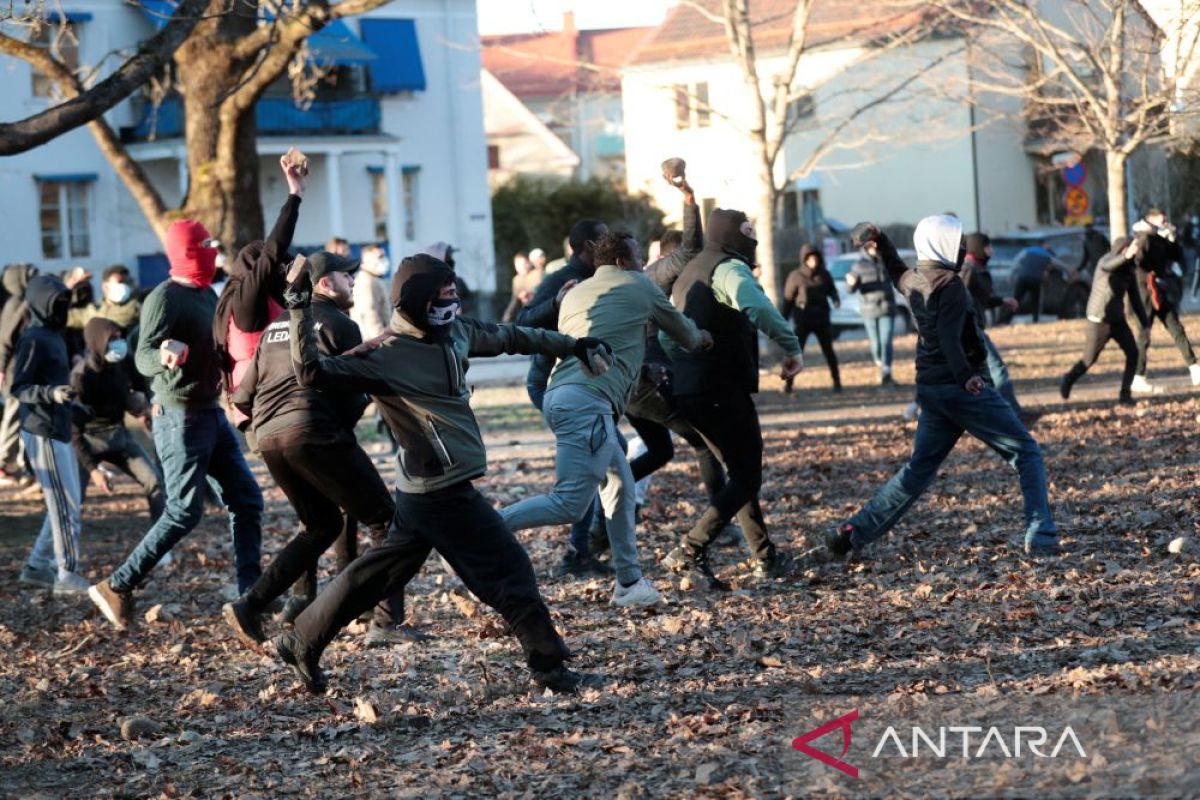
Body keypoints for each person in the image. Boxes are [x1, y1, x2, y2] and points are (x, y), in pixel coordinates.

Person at [270, 253, 610, 694]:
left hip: (423, 491)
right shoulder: (386, 354)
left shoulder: (458, 333)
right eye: (443, 297)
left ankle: (300, 639)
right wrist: (297, 306)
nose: (453, 305)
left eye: (455, 295)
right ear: (417, 302)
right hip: (440, 490)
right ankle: (549, 666)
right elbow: (312, 371)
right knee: (509, 572)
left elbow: (511, 336)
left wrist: (573, 345)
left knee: (377, 574)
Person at [827, 217, 1060, 559]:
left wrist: (884, 239)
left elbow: (894, 270)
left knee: (918, 470)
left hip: (932, 391)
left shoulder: (915, 279)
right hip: (961, 389)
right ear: (944, 244)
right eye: (958, 240)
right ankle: (1042, 536)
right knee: (1026, 451)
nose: (963, 247)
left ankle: (851, 533)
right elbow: (951, 338)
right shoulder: (949, 285)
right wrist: (967, 376)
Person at [500, 230, 710, 607]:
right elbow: (683, 333)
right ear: (622, 262)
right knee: (569, 504)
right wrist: (702, 338)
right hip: (588, 403)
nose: (643, 265)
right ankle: (486, 527)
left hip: (562, 397)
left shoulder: (576, 292)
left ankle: (629, 582)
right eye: (637, 258)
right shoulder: (639, 286)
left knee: (620, 485)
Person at [225, 251, 409, 649]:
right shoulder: (342, 325)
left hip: (271, 439)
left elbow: (242, 396)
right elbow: (353, 393)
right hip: (314, 432)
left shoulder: (277, 324)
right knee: (385, 520)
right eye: (347, 276)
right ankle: (386, 623)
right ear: (325, 284)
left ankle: (250, 604)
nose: (354, 283)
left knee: (320, 526)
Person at [88, 219, 264, 632]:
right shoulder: (163, 299)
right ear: (185, 252)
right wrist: (163, 355)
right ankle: (117, 585)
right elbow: (142, 356)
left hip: (210, 412)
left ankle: (252, 595)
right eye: (202, 246)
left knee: (248, 500)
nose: (210, 251)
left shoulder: (206, 294)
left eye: (211, 245)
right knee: (184, 510)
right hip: (179, 416)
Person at [660, 208, 804, 586]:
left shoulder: (689, 272)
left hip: (689, 388)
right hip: (721, 386)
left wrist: (688, 365)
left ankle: (765, 556)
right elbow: (755, 306)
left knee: (739, 475)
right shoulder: (729, 269)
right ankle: (690, 548)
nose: (753, 241)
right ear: (734, 238)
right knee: (747, 475)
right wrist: (790, 346)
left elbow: (665, 336)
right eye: (748, 234)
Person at [516, 219, 610, 563]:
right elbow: (523, 323)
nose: (609, 244)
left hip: (585, 386)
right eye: (604, 240)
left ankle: (591, 547)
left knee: (608, 465)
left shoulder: (601, 279)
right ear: (586, 246)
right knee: (588, 471)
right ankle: (580, 550)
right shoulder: (561, 280)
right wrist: (555, 303)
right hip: (552, 384)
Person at [213, 156, 305, 430]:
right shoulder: (246, 300)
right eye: (278, 269)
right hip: (262, 405)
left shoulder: (255, 298)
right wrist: (295, 196)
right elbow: (273, 251)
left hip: (268, 401)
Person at [12, 275, 89, 593]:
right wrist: (50, 394)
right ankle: (66, 574)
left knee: (66, 503)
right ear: (41, 305)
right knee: (65, 505)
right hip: (41, 431)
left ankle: (35, 568)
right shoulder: (33, 338)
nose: (62, 310)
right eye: (56, 304)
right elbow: (20, 388)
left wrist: (75, 406)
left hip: (59, 428)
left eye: (64, 303)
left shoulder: (56, 335)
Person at [70, 317, 164, 520]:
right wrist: (93, 470)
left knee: (154, 480)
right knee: (72, 501)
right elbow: (73, 431)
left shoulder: (122, 363)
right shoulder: (81, 377)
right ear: (97, 341)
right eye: (111, 339)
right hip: (88, 441)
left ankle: (162, 542)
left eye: (119, 337)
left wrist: (145, 411)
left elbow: (133, 391)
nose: (118, 343)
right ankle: (61, 549)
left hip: (118, 435)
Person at [1060, 237, 1148, 405]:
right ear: (1122, 249)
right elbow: (1111, 265)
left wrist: (1145, 324)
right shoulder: (1105, 261)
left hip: (1117, 320)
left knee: (1133, 353)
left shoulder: (1129, 270)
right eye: (1131, 251)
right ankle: (1068, 379)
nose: (1134, 255)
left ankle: (1125, 395)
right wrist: (1126, 256)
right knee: (1089, 360)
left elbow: (1135, 299)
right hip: (1098, 319)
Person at [1129, 209, 1200, 391]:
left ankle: (1194, 368)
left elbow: (1176, 255)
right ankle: (1138, 376)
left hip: (1158, 291)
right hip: (1144, 292)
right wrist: (1148, 278)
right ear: (1151, 219)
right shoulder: (1143, 238)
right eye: (1163, 219)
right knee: (1144, 334)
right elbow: (1137, 263)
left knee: (1176, 327)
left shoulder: (1159, 238)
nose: (1166, 222)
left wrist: (1172, 238)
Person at [961, 233, 1023, 415]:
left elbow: (982, 299)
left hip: (975, 327)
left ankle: (995, 412)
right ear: (978, 248)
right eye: (988, 247)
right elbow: (959, 299)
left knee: (983, 374)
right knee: (997, 369)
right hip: (971, 330)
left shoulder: (977, 268)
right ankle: (1013, 413)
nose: (991, 251)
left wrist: (1002, 301)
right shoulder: (968, 269)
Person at [780, 245, 841, 393]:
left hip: (821, 319)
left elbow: (832, 290)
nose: (813, 261)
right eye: (810, 258)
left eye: (816, 258)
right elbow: (788, 300)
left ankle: (837, 382)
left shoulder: (824, 274)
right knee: (795, 353)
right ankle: (788, 384)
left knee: (829, 352)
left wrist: (835, 299)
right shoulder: (796, 276)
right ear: (804, 259)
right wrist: (783, 321)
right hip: (803, 321)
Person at [0, 263, 38, 485]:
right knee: (14, 415)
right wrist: (2, 368)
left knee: (23, 417)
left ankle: (23, 463)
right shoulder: (16, 304)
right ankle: (4, 462)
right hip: (15, 371)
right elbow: (5, 340)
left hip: (21, 369)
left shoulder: (20, 302)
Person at [845, 239, 897, 386]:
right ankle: (880, 365)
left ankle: (887, 371)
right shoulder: (859, 265)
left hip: (887, 306)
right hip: (869, 309)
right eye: (871, 244)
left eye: (876, 244)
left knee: (886, 340)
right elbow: (851, 290)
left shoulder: (886, 261)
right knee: (876, 343)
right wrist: (851, 283)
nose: (874, 246)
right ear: (866, 246)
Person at [1010, 242, 1071, 323]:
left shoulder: (1027, 251)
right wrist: (1069, 269)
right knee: (1035, 301)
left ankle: (1005, 318)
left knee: (1016, 299)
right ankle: (1035, 320)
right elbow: (1059, 264)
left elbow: (1015, 262)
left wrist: (1010, 276)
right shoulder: (1046, 254)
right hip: (1035, 279)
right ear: (1043, 246)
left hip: (1023, 277)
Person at [350, 245, 391, 341]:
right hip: (373, 342)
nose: (384, 260)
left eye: (384, 256)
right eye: (380, 257)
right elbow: (370, 314)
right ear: (367, 260)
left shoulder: (374, 278)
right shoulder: (366, 281)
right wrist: (382, 340)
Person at [423, 242, 473, 317]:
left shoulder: (458, 281)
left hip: (457, 323)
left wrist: (459, 306)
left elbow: (470, 300)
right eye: (448, 257)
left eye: (451, 256)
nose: (452, 260)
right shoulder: (425, 284)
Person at [501, 252, 544, 323]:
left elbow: (541, 292)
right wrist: (508, 313)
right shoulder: (516, 280)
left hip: (539, 308)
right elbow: (514, 299)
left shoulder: (538, 274)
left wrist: (529, 294)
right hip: (525, 311)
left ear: (529, 263)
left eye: (524, 263)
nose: (521, 267)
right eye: (518, 265)